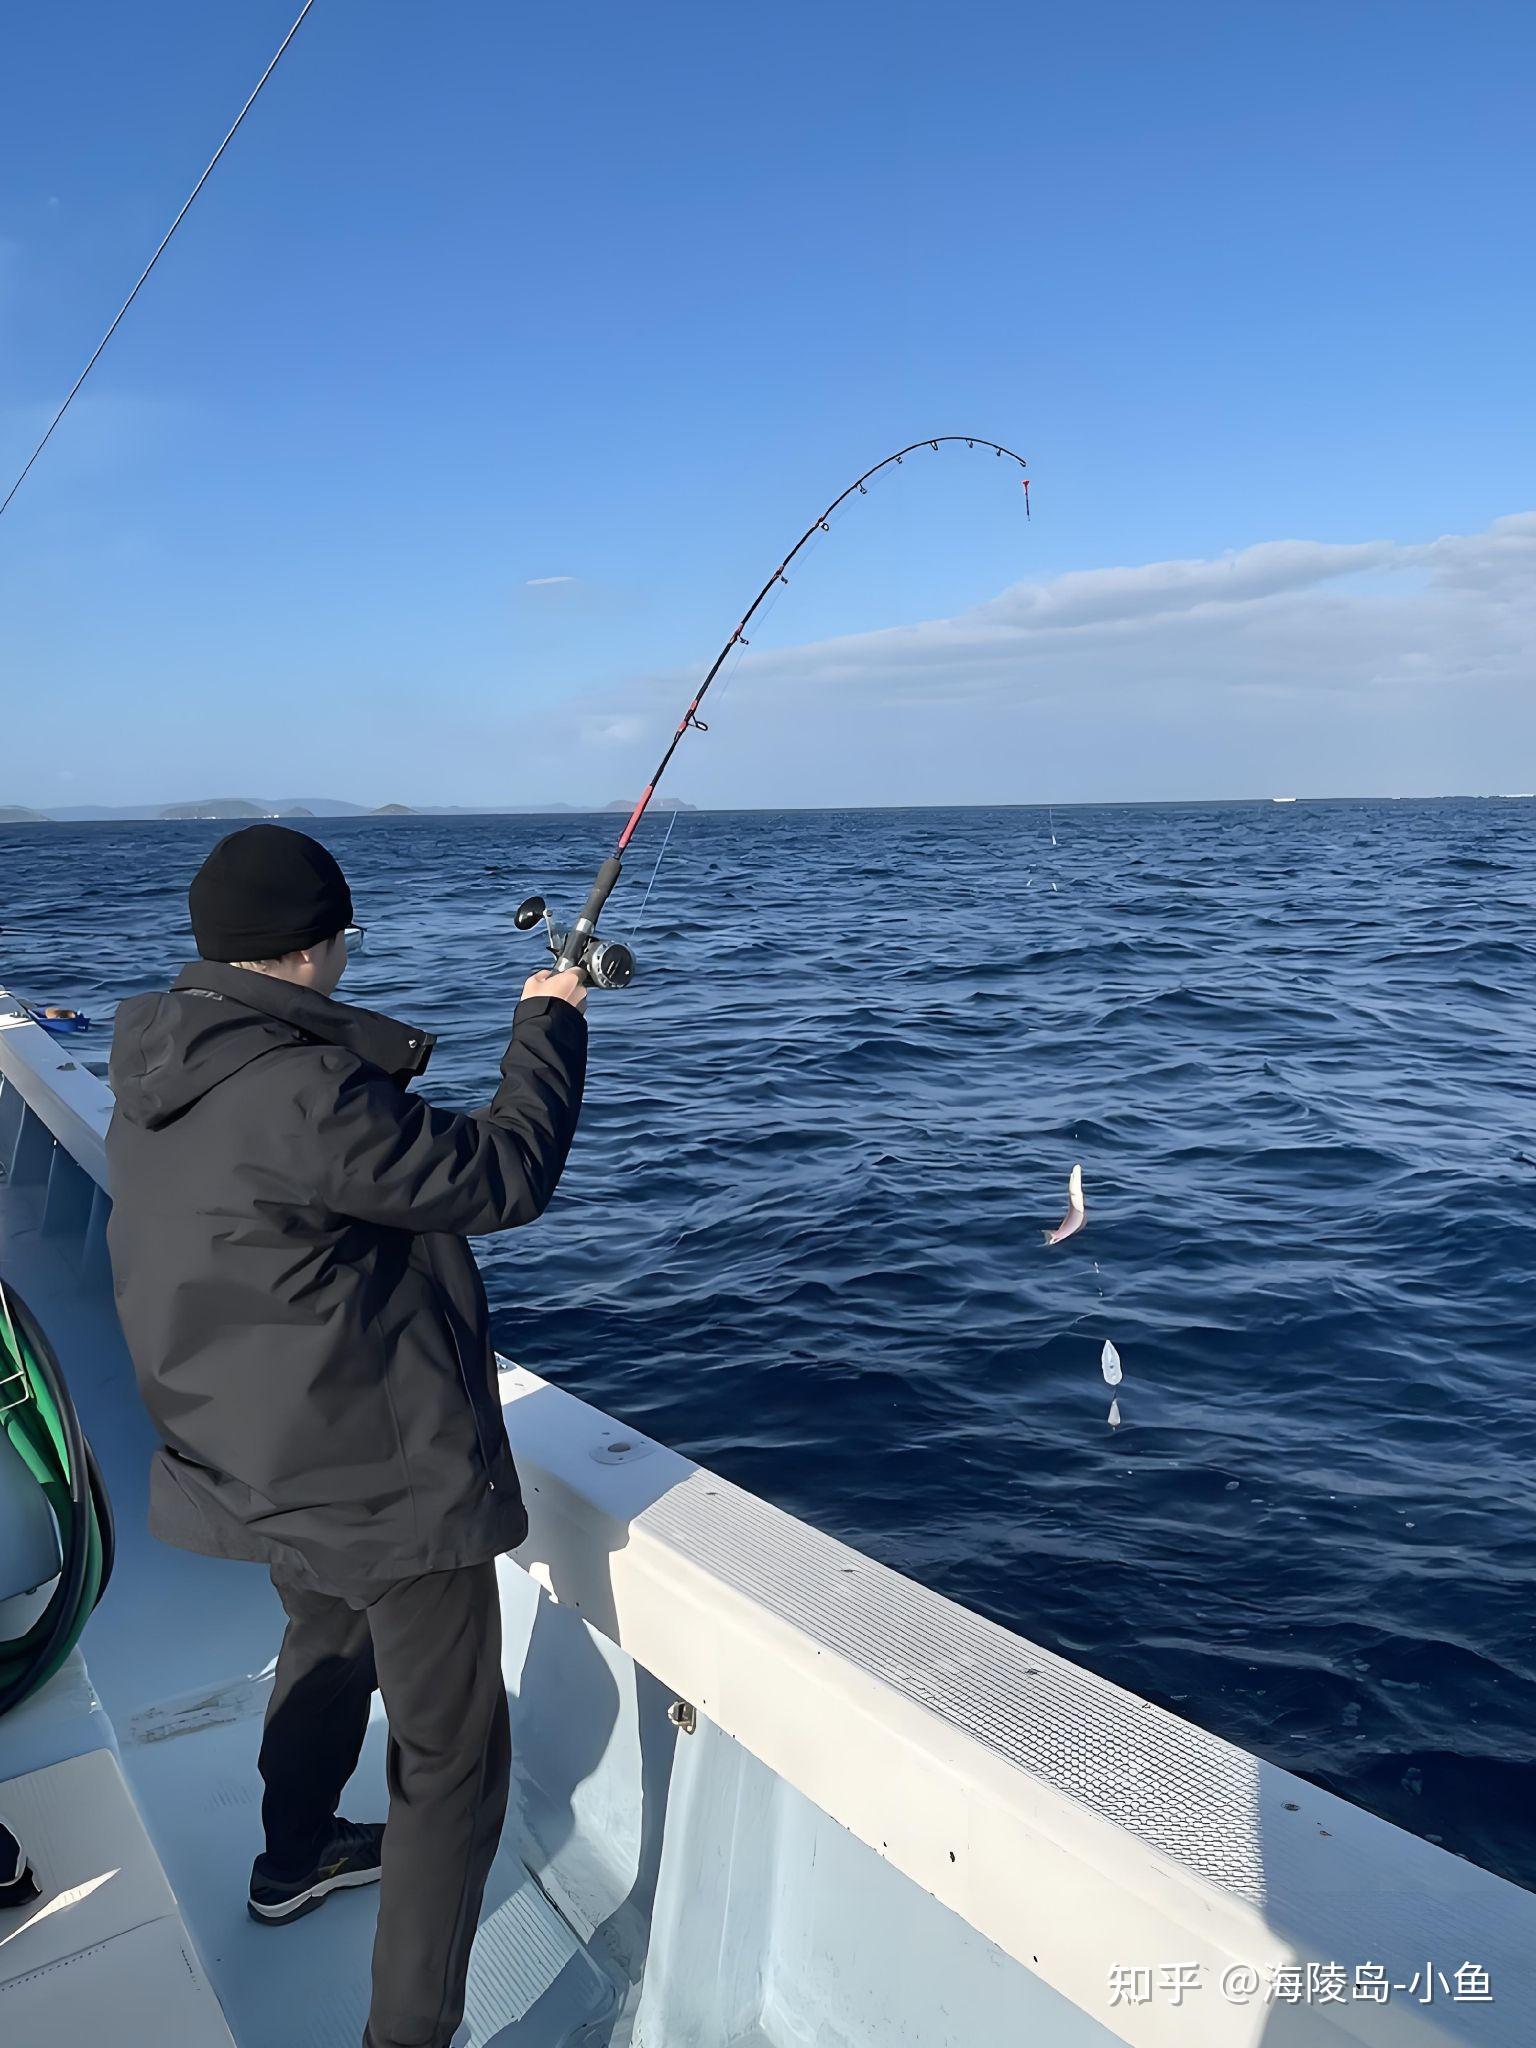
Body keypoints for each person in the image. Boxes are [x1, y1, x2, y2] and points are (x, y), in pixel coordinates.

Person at [106, 823, 588, 2048]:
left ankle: (293, 1855)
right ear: (313, 946)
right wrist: (549, 1021)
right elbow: (502, 1175)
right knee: (450, 1765)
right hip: (381, 1484)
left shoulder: (160, 1066)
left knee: (323, 1641)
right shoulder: (302, 1090)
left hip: (259, 1457)